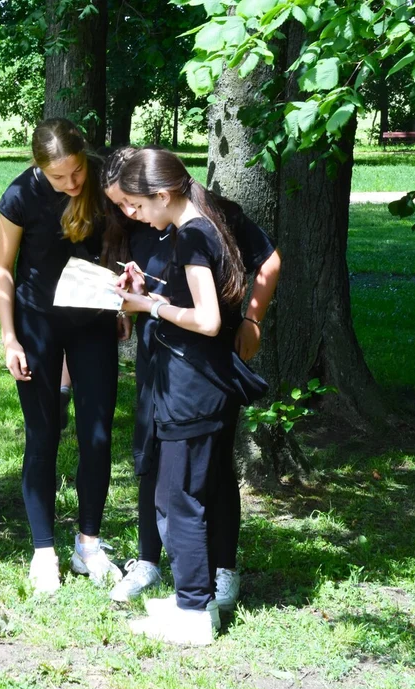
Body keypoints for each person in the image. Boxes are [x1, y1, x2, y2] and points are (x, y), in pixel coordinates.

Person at [102, 147, 281, 607]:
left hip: (198, 370)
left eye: (133, 204)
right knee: (165, 475)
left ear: (159, 193)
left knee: (191, 485)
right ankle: (177, 580)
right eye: (122, 206)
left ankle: (204, 592)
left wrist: (151, 306)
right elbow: (183, 293)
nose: (129, 215)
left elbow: (208, 318)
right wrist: (145, 293)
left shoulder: (200, 229)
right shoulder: (174, 226)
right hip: (169, 365)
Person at [0, 118, 126, 594]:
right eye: (59, 178)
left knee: (97, 434)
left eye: (75, 174)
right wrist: (11, 339)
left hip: (92, 321)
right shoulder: (19, 197)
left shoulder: (101, 178)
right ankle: (43, 550)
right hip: (36, 324)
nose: (71, 184)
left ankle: (87, 545)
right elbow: (3, 271)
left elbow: (119, 246)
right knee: (43, 433)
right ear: (39, 168)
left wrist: (122, 298)